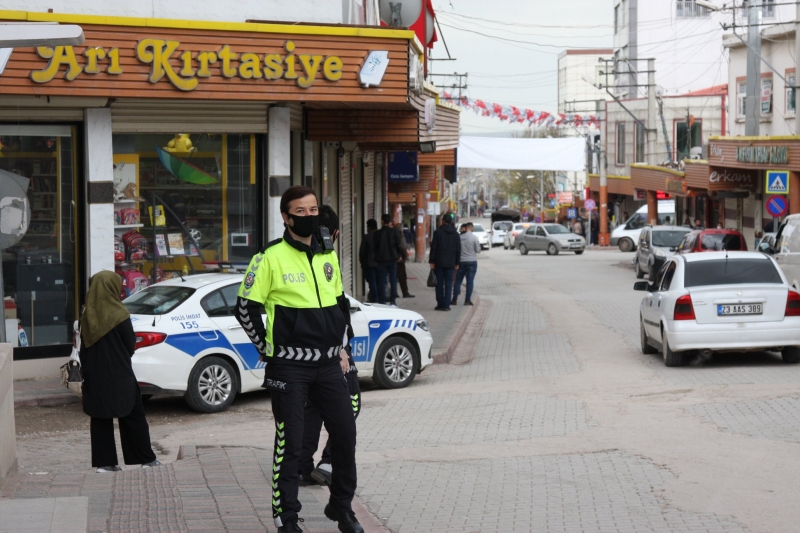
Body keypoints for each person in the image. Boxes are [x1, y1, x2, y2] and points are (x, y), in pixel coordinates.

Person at [235, 186, 362, 533]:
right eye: (301, 212)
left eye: (313, 210)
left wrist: (341, 347)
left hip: (327, 364)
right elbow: (245, 308)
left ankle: (341, 507)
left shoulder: (327, 253)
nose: (309, 217)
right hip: (289, 366)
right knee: (290, 444)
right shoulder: (269, 257)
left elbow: (339, 305)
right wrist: (267, 348)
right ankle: (287, 518)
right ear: (286, 218)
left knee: (345, 436)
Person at [299, 205, 362, 492]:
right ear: (334, 233)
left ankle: (302, 466)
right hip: (331, 357)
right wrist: (341, 350)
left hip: (302, 358)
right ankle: (327, 464)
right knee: (349, 409)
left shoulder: (291, 257)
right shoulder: (326, 259)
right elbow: (334, 310)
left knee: (310, 412)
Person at [80, 270, 160, 473]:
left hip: (95, 374)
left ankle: (105, 464)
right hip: (120, 372)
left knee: (100, 417)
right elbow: (130, 345)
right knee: (133, 415)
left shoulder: (87, 315)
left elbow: (83, 348)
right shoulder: (119, 313)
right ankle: (146, 460)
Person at [429, 213, 461, 311]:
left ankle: (440, 304)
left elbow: (434, 247)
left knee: (439, 284)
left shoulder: (437, 232)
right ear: (451, 222)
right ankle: (447, 305)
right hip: (451, 263)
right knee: (448, 284)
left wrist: (432, 261)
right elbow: (458, 249)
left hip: (439, 262)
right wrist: (457, 263)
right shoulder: (456, 234)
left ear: (443, 221)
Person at [374, 214, 404, 306]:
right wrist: (399, 255)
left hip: (381, 260)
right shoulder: (394, 232)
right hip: (392, 259)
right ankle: (393, 301)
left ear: (382, 221)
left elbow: (375, 247)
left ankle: (382, 301)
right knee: (393, 280)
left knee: (381, 281)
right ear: (390, 222)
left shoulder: (377, 233)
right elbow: (398, 245)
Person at [452, 222, 480, 306]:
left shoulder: (459, 237)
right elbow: (478, 250)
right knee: (470, 281)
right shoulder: (474, 237)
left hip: (460, 262)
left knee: (458, 281)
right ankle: (467, 300)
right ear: (471, 228)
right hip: (472, 262)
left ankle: (454, 299)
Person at [393, 216, 414, 298]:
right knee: (402, 277)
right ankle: (405, 293)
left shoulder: (393, 236)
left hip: (394, 259)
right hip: (400, 260)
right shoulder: (400, 236)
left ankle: (394, 293)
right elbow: (403, 247)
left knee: (394, 278)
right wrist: (404, 255)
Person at [359, 219, 379, 302]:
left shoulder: (367, 237)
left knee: (372, 282)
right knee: (378, 282)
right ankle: (378, 298)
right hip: (380, 263)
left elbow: (362, 251)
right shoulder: (380, 235)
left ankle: (374, 299)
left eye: (367, 227)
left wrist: (362, 262)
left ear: (370, 227)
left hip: (370, 264)